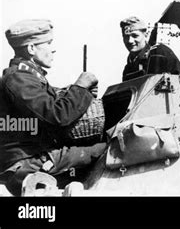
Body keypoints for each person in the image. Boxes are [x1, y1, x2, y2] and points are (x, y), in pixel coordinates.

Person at [0, 19, 106, 196]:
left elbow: (49, 104)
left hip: (31, 157)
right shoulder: (19, 79)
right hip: (27, 163)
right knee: (105, 149)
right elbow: (57, 115)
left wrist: (83, 92)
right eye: (48, 44)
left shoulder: (27, 76)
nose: (53, 49)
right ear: (32, 49)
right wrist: (80, 87)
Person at [121, 17, 180, 81]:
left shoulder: (160, 52)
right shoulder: (128, 68)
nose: (130, 41)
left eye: (135, 36)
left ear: (146, 35)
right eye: (126, 37)